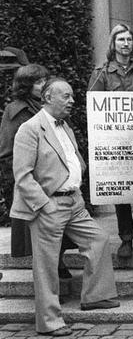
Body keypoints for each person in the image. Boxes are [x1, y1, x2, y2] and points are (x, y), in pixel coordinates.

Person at [13, 77, 120, 336]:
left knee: (99, 239)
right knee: (46, 265)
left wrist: (78, 190)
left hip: (73, 202)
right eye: (66, 96)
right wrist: (44, 205)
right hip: (48, 205)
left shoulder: (66, 126)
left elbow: (72, 159)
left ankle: (95, 296)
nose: (72, 100)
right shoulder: (29, 129)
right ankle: (49, 323)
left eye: (72, 96)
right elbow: (23, 175)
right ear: (48, 98)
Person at [88, 23, 133, 258]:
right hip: (114, 143)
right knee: (120, 191)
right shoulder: (101, 73)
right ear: (113, 44)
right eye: (121, 39)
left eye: (129, 39)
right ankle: (126, 239)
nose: (126, 44)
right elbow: (93, 107)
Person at [1, 65, 75, 278]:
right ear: (26, 86)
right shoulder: (16, 111)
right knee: (39, 232)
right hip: (32, 183)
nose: (44, 85)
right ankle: (50, 276)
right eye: (39, 82)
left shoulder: (53, 106)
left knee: (61, 229)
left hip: (59, 180)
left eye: (45, 80)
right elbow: (7, 152)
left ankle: (58, 263)